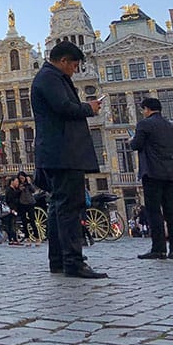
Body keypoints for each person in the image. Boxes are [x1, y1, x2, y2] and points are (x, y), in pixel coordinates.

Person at [31, 42, 106, 279]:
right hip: (63, 152)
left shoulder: (49, 77)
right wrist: (89, 108)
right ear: (63, 61)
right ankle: (73, 261)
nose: (75, 69)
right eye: (74, 65)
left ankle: (60, 260)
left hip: (59, 152)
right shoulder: (50, 78)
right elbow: (63, 107)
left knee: (58, 207)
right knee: (69, 208)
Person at [129, 97, 173, 261]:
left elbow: (136, 145)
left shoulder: (144, 124)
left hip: (152, 172)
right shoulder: (171, 127)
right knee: (170, 211)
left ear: (146, 109)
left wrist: (131, 140)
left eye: (142, 110)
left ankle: (158, 248)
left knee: (154, 211)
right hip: (170, 173)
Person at [17, 172, 40, 244]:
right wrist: (19, 189)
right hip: (22, 204)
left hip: (30, 203)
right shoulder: (18, 185)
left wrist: (29, 183)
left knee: (32, 221)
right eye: (20, 179)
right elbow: (16, 194)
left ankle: (37, 237)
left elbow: (33, 190)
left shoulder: (28, 184)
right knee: (24, 222)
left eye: (23, 178)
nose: (22, 180)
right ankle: (27, 238)